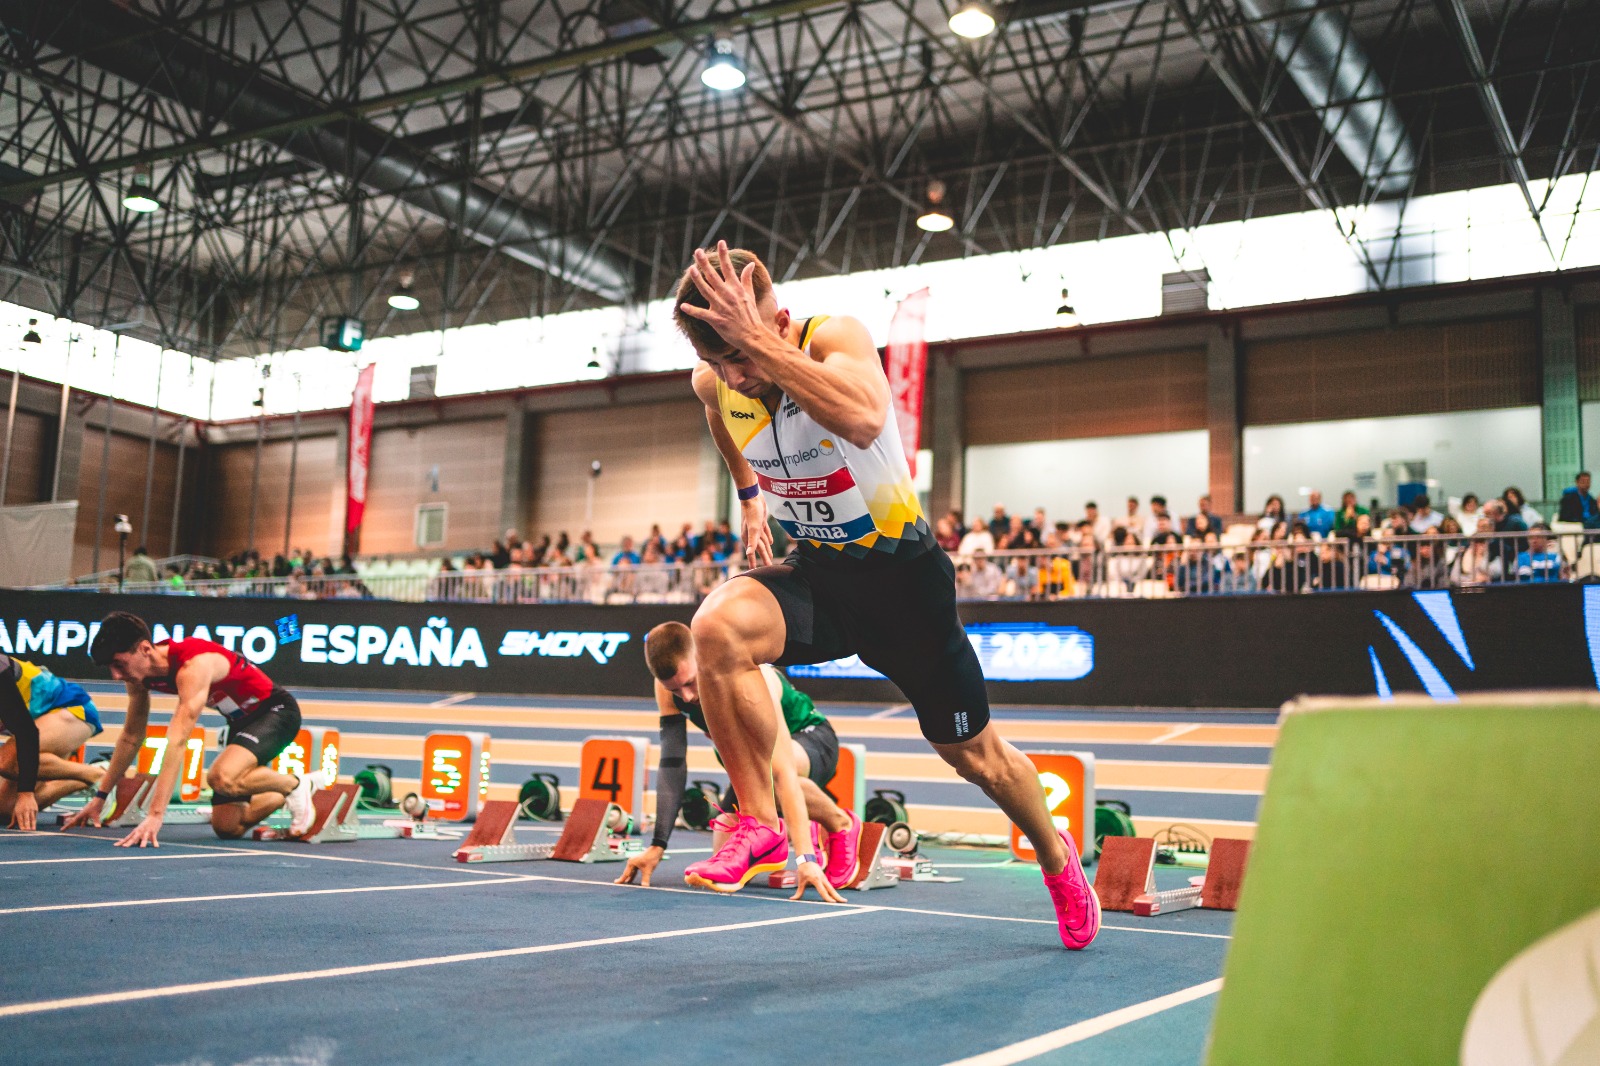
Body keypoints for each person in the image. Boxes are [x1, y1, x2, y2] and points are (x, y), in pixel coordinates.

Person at [671, 243, 1099, 949]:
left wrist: (760, 349)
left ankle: (1058, 863)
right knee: (717, 625)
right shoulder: (715, 385)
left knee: (975, 757)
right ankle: (757, 822)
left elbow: (866, 418)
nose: (735, 380)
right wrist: (749, 500)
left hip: (904, 587)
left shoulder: (835, 336)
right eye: (720, 365)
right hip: (822, 580)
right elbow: (725, 427)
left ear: (778, 323)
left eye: (741, 359)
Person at [619, 622, 855, 900]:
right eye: (676, 690)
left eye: (690, 683)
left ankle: (841, 824)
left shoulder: (752, 678)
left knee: (769, 774)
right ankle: (793, 823)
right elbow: (672, 763)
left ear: (702, 657)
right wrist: (657, 846)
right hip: (753, 761)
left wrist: (806, 858)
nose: (688, 696)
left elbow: (781, 771)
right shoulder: (668, 689)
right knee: (724, 845)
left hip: (809, 739)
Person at [67, 612, 325, 846]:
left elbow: (178, 740)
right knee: (227, 827)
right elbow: (131, 736)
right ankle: (284, 791)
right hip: (241, 723)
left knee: (220, 777)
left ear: (145, 649)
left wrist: (156, 815)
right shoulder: (139, 675)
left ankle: (296, 783)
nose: (115, 675)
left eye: (119, 664)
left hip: (276, 712)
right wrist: (100, 798)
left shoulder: (193, 664)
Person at [0, 653, 104, 830]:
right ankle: (84, 778)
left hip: (71, 708)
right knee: (4, 809)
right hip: (35, 723)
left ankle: (101, 776)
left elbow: (27, 733)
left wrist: (26, 793)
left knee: (8, 762)